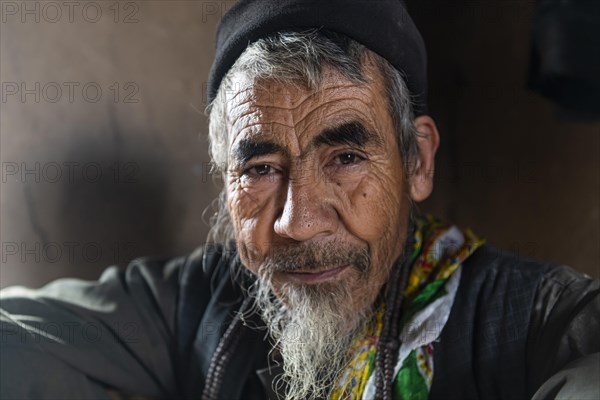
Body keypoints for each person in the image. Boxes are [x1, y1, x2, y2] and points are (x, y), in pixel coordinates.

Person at [1, 1, 598, 399]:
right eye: (260, 168)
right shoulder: (191, 305)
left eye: (345, 158)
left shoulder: (540, 319)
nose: (297, 223)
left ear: (416, 160)